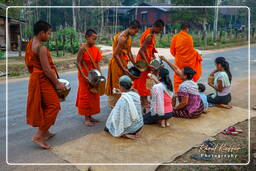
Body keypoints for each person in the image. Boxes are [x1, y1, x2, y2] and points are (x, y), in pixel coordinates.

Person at [25, 21, 66, 149]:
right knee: (54, 106)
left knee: (44, 106)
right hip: (42, 79)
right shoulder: (41, 48)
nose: (49, 36)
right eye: (48, 33)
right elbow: (47, 70)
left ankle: (46, 131)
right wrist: (57, 83)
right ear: (41, 33)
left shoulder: (31, 43)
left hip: (35, 78)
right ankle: (39, 136)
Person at [105, 20, 141, 107]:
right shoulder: (122, 38)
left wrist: (135, 64)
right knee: (118, 84)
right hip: (117, 64)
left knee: (123, 83)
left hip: (123, 62)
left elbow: (129, 52)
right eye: (135, 31)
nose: (135, 33)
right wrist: (123, 68)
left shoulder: (128, 38)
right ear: (131, 28)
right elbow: (115, 54)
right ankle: (115, 105)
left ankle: (121, 104)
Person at [133, 19, 165, 109]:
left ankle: (144, 100)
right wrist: (148, 64)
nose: (160, 32)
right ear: (156, 26)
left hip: (147, 60)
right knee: (142, 82)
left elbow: (150, 50)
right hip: (143, 62)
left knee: (146, 81)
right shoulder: (149, 36)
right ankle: (144, 101)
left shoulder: (151, 34)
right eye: (160, 29)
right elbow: (141, 50)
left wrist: (155, 59)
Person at [76, 29, 103, 126]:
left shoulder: (96, 49)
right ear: (87, 38)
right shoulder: (83, 48)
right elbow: (78, 62)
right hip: (85, 75)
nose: (94, 41)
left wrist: (100, 75)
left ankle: (91, 116)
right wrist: (84, 76)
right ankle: (86, 118)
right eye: (93, 38)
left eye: (96, 39)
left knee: (94, 94)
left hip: (94, 75)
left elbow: (97, 63)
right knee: (86, 95)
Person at [105, 75, 143, 140]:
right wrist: (120, 92)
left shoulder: (123, 99)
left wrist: (114, 108)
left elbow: (118, 116)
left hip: (131, 129)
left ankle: (125, 134)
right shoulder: (136, 94)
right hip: (139, 125)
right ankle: (133, 131)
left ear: (121, 87)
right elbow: (128, 97)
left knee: (108, 127)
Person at [170, 23, 202, 93]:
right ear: (186, 28)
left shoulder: (175, 37)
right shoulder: (189, 38)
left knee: (178, 75)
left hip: (179, 62)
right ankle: (189, 92)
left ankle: (177, 92)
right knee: (188, 76)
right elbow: (191, 50)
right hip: (189, 63)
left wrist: (179, 56)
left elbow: (172, 51)